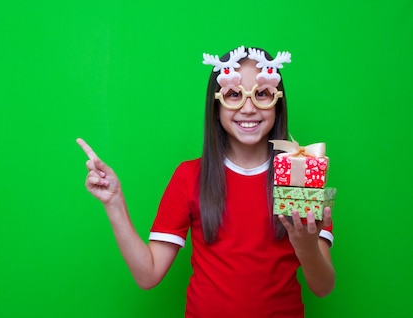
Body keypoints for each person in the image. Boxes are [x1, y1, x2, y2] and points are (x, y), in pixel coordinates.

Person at [76, 45, 335, 318]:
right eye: (234, 95)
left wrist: (306, 248)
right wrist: (114, 203)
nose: (248, 108)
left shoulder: (302, 173)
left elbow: (323, 287)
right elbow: (148, 274)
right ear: (216, 103)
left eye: (262, 94)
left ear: (278, 102)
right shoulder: (190, 177)